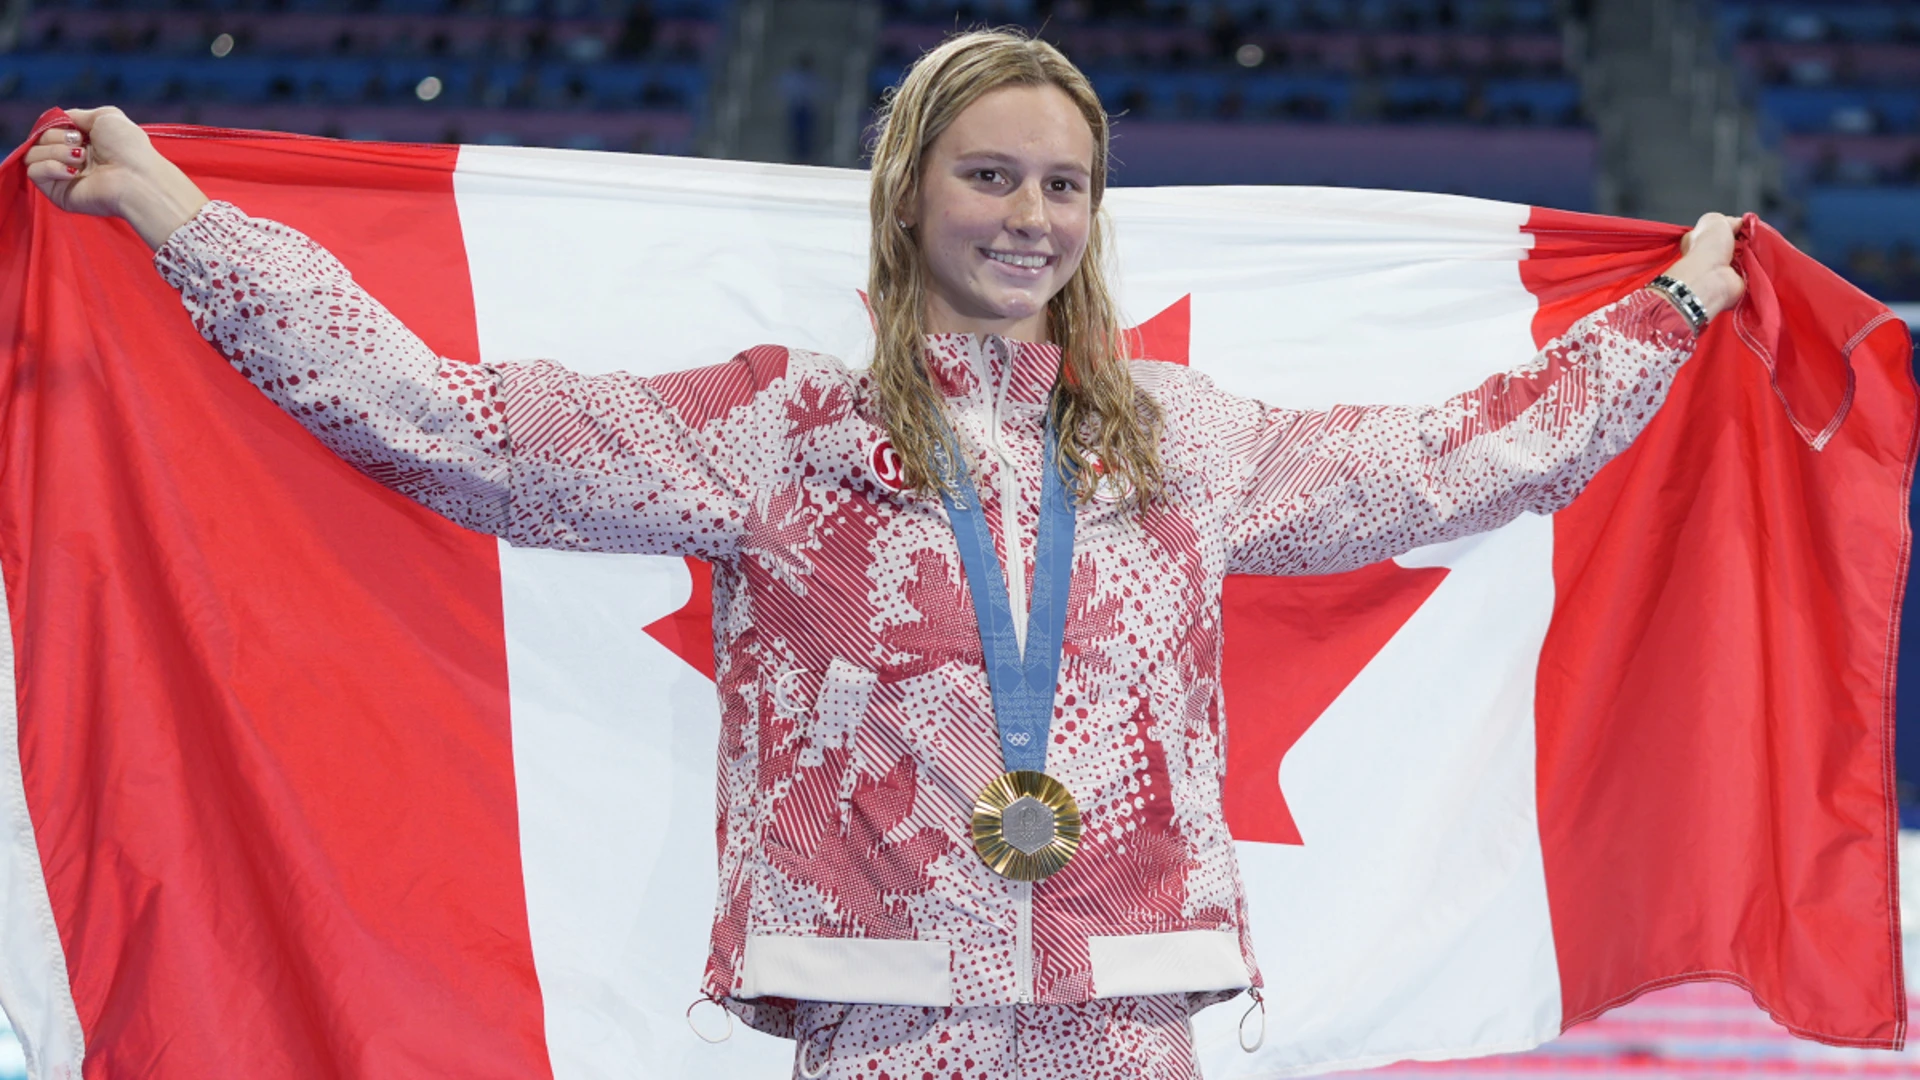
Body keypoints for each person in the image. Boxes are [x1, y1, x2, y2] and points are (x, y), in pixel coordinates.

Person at [24, 28, 1742, 1080]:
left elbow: (1452, 466)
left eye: (1064, 189)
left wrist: (1672, 314)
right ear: (911, 190)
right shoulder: (786, 431)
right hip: (879, 1004)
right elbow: (444, 424)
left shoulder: (1178, 438)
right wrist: (178, 213)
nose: (1029, 219)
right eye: (991, 176)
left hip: (1131, 1000)